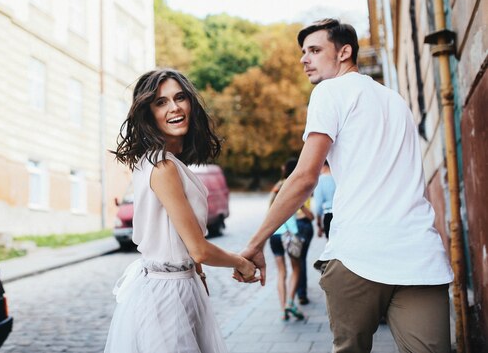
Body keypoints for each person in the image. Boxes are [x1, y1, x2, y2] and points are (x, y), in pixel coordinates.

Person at [236, 19, 453, 353]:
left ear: (344, 51)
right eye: (302, 52)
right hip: (419, 254)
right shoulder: (396, 101)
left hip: (358, 255)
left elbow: (305, 177)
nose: (303, 59)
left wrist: (255, 243)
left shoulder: (329, 91)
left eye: (314, 50)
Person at [104, 68, 257, 353]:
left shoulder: (158, 161)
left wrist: (198, 276)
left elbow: (184, 241)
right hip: (167, 295)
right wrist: (242, 263)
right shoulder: (163, 167)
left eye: (180, 98)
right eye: (161, 102)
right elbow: (198, 248)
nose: (174, 108)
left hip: (178, 286)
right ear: (148, 113)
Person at [268, 158, 306, 320]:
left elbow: (270, 210)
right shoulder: (294, 187)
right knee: (296, 269)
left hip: (275, 234)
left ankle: (283, 309)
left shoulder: (277, 187)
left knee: (281, 272)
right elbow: (296, 213)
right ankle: (291, 302)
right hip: (289, 234)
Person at [311, 161, 335, 239]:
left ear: (323, 166)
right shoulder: (338, 177)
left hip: (328, 214)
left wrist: (319, 224)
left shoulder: (320, 181)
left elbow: (318, 205)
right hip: (342, 213)